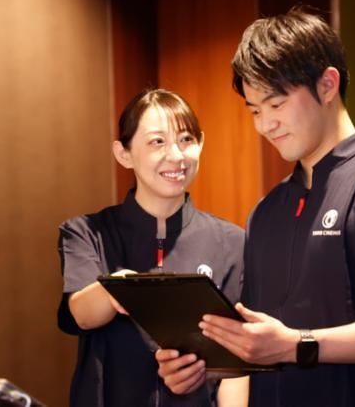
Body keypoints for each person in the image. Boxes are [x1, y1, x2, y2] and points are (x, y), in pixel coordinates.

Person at [156, 8, 355, 406]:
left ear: (327, 85)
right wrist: (205, 366)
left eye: (275, 104)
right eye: (255, 111)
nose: (265, 125)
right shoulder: (267, 211)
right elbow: (261, 346)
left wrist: (298, 344)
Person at [57, 89, 246, 406]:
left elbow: (237, 361)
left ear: (201, 143)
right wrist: (119, 288)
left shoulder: (232, 241)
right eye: (158, 141)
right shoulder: (87, 232)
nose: (176, 155)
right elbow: (83, 314)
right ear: (124, 154)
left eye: (186, 139)